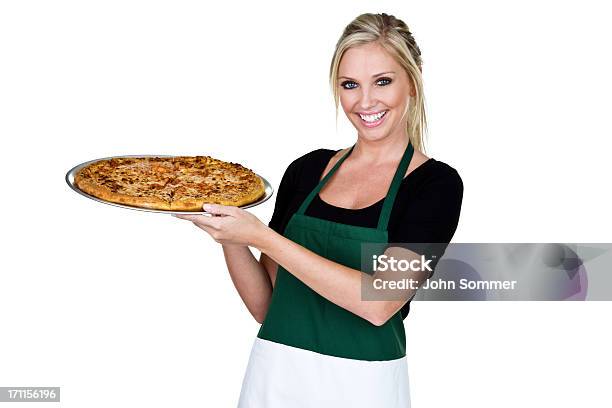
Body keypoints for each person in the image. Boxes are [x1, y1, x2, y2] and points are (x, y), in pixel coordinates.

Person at [174, 12, 463, 407]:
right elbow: (265, 306)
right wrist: (228, 232)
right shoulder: (307, 170)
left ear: (411, 82)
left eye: (382, 81)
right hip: (275, 377)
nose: (365, 102)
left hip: (365, 385)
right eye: (350, 85)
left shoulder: (436, 185)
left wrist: (262, 236)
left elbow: (379, 303)